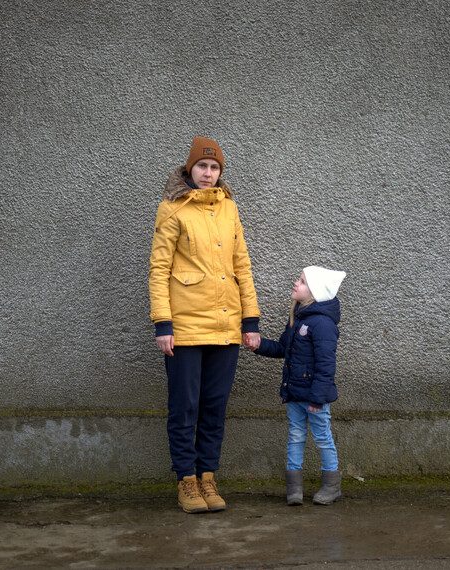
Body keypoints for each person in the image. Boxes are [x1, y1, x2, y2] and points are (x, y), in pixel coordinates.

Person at [148, 136, 261, 513]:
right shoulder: (172, 209)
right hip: (183, 327)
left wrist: (250, 319)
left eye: (215, 168)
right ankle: (187, 481)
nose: (209, 173)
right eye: (202, 167)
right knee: (185, 406)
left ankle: (208, 476)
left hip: (226, 326)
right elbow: (159, 269)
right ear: (190, 169)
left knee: (215, 405)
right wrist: (162, 323)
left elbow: (241, 265)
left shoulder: (230, 208)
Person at [247, 265, 346, 505]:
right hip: (294, 394)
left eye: (301, 281)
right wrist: (258, 345)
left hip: (313, 399)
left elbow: (326, 365)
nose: (295, 283)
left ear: (315, 292)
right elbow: (283, 348)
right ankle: (294, 489)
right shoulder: (297, 318)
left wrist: (317, 398)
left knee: (322, 437)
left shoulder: (322, 324)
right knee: (295, 437)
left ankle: (332, 486)